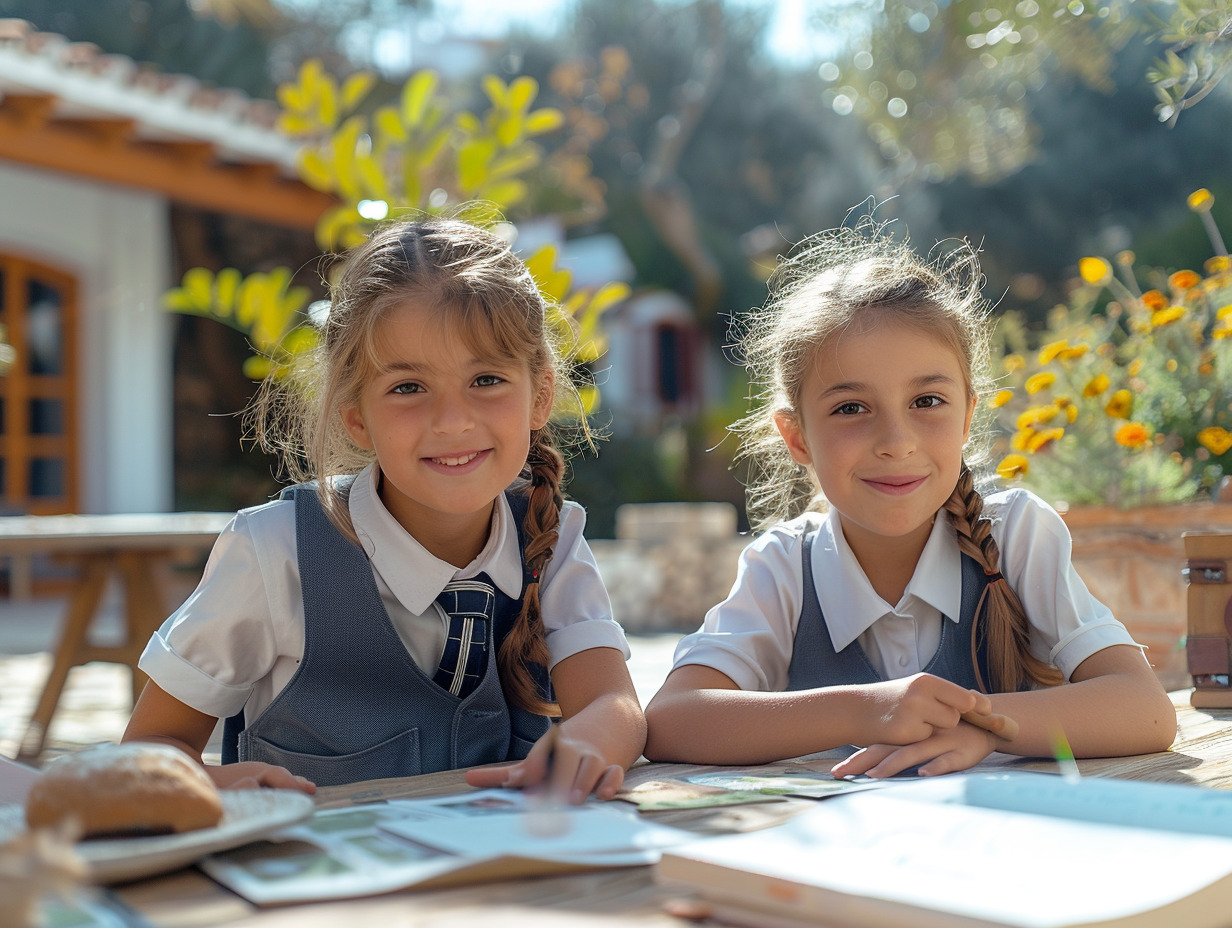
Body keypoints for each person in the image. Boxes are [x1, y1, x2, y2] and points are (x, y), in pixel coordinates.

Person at [124, 217, 646, 801]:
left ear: (540, 395)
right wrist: (216, 782)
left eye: (487, 378)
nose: (452, 420)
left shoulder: (552, 539)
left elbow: (614, 703)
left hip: (506, 885)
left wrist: (591, 743)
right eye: (408, 388)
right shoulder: (274, 552)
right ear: (355, 415)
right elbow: (145, 755)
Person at [644, 220, 1176, 777]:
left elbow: (1146, 711)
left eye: (927, 400)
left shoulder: (1015, 533)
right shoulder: (784, 568)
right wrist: (864, 710)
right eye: (851, 408)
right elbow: (673, 719)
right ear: (797, 436)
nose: (896, 443)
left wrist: (981, 729)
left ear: (968, 413)